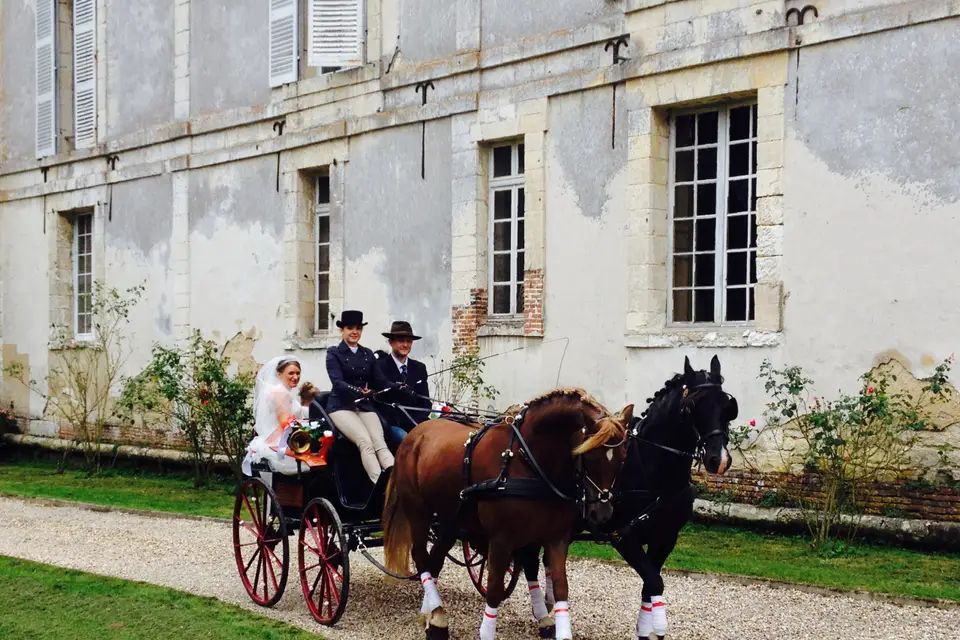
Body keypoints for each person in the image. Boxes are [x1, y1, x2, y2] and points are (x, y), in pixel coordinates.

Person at [325, 309, 395, 485]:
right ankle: (379, 486)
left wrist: (398, 387)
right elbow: (337, 383)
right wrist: (358, 391)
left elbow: (380, 380)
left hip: (363, 406)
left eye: (358, 328)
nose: (354, 332)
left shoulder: (367, 354)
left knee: (379, 442)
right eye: (350, 328)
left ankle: (395, 483)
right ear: (342, 330)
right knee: (365, 442)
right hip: (341, 407)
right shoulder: (333, 353)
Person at [242, 355, 313, 476]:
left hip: (285, 438)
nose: (295, 377)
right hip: (280, 442)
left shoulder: (283, 391)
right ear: (279, 374)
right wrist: (308, 426)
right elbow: (286, 423)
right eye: (291, 373)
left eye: (298, 373)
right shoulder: (280, 393)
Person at [374, 321, 431, 440]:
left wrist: (419, 423)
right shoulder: (379, 367)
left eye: (409, 341)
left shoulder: (419, 368)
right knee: (407, 440)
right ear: (391, 342)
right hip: (392, 424)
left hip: (417, 423)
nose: (405, 345)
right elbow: (378, 402)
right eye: (400, 341)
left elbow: (425, 402)